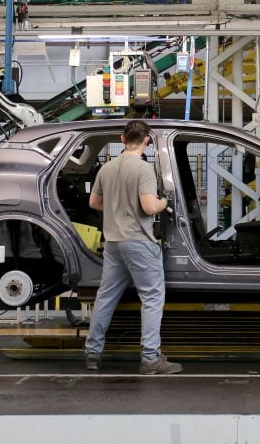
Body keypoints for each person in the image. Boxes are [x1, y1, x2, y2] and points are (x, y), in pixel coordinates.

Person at [84, 120, 182, 375]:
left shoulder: (106, 168)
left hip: (114, 243)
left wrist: (118, 208)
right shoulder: (143, 169)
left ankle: (92, 354)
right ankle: (150, 358)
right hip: (138, 242)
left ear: (121, 138)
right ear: (147, 140)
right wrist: (164, 202)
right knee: (151, 299)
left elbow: (94, 202)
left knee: (105, 297)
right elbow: (149, 207)